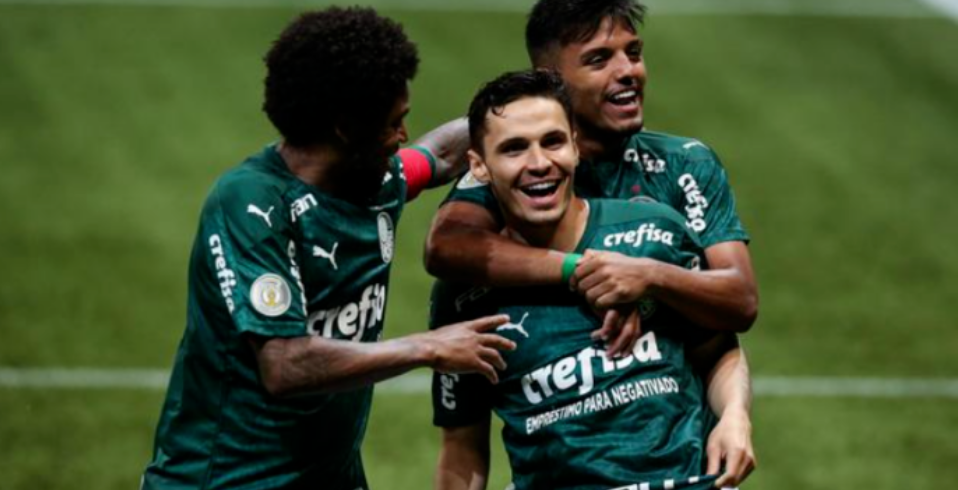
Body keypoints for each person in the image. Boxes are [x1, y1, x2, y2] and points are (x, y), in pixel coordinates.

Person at [140, 8, 517, 490]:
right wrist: (427, 347)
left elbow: (440, 153)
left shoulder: (375, 181)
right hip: (227, 481)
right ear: (345, 128)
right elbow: (284, 364)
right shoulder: (253, 203)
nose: (402, 136)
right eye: (394, 123)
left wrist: (529, 107)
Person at [431, 70, 755, 490]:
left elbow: (716, 349)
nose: (539, 164)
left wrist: (734, 415)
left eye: (552, 142)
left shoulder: (654, 232)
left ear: (575, 146)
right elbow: (462, 447)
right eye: (514, 148)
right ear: (479, 165)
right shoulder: (465, 295)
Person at [424, 0, 758, 351]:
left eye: (633, 53)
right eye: (599, 60)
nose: (628, 70)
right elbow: (447, 247)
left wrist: (649, 275)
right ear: (552, 78)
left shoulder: (684, 163)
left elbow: (740, 299)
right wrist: (584, 271)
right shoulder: (523, 168)